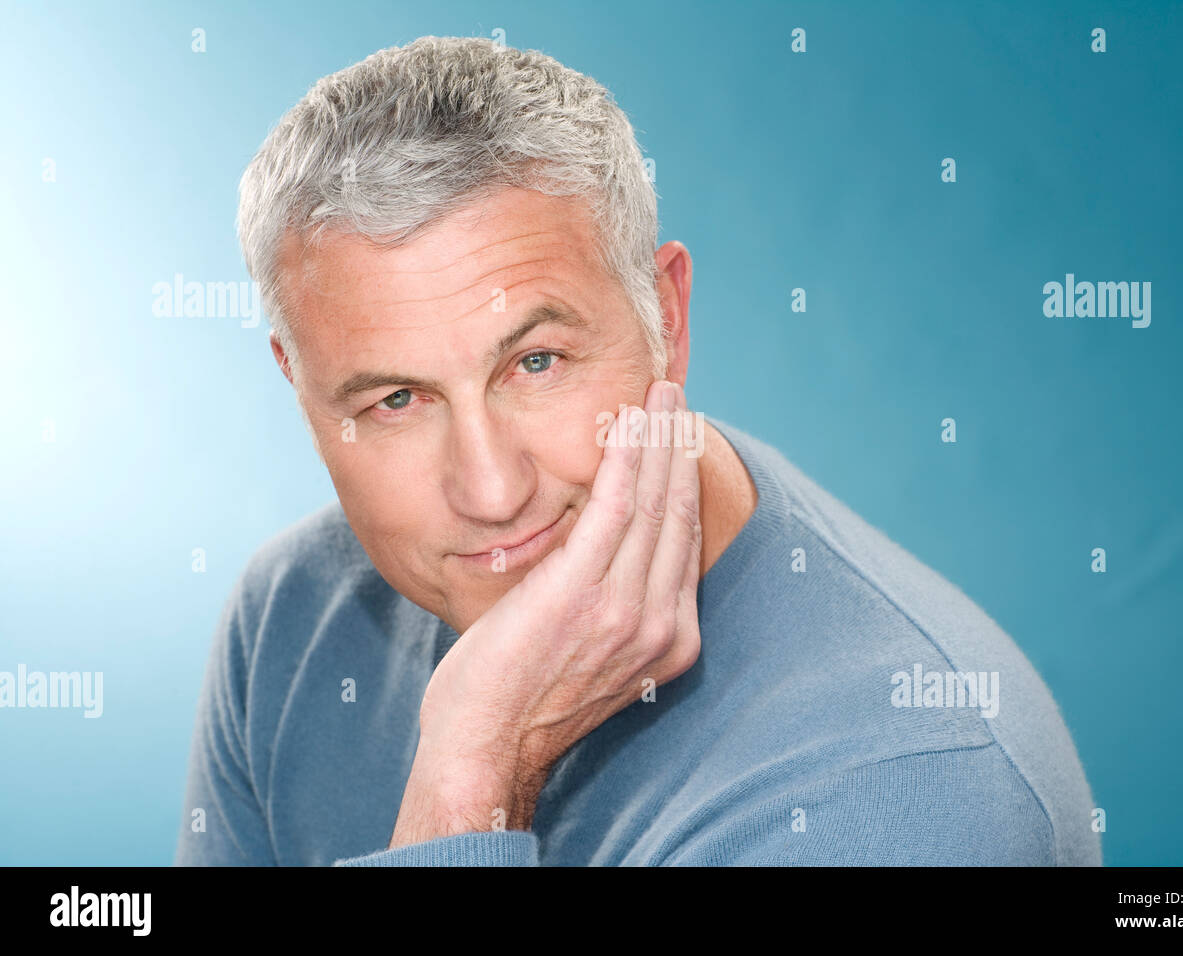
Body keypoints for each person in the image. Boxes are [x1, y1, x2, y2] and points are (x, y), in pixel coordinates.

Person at [175, 35, 1100, 866]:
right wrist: (476, 759)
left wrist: (473, 776)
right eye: (397, 400)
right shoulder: (288, 618)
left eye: (537, 363)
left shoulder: (905, 796)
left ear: (667, 318)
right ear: (298, 390)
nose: (493, 491)